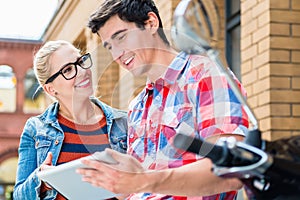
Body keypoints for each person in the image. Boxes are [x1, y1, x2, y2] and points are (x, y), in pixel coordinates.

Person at [77, 0, 249, 199]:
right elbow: (139, 186)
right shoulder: (137, 106)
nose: (117, 55)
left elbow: (231, 169)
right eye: (109, 47)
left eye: (121, 38)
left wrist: (145, 180)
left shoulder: (205, 76)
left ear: (151, 23)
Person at [13, 40, 128, 200]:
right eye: (68, 70)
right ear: (50, 89)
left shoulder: (124, 122)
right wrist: (42, 180)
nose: (82, 71)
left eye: (80, 62)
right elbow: (19, 196)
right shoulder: (36, 129)